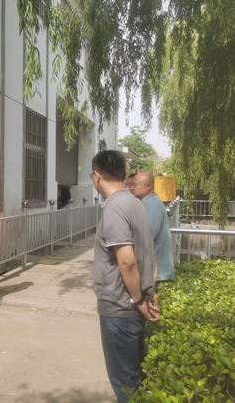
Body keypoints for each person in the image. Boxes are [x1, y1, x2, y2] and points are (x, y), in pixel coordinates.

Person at [90, 150, 160, 402]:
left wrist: (139, 300)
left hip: (120, 310)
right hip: (134, 305)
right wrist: (149, 292)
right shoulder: (136, 204)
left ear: (97, 175)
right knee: (135, 379)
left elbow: (128, 262)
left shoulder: (115, 208)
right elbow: (150, 253)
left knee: (125, 384)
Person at [130, 172, 175, 292]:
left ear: (148, 186)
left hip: (156, 273)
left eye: (135, 185)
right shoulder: (148, 203)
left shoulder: (152, 205)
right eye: (130, 185)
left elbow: (147, 236)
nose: (132, 188)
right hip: (154, 271)